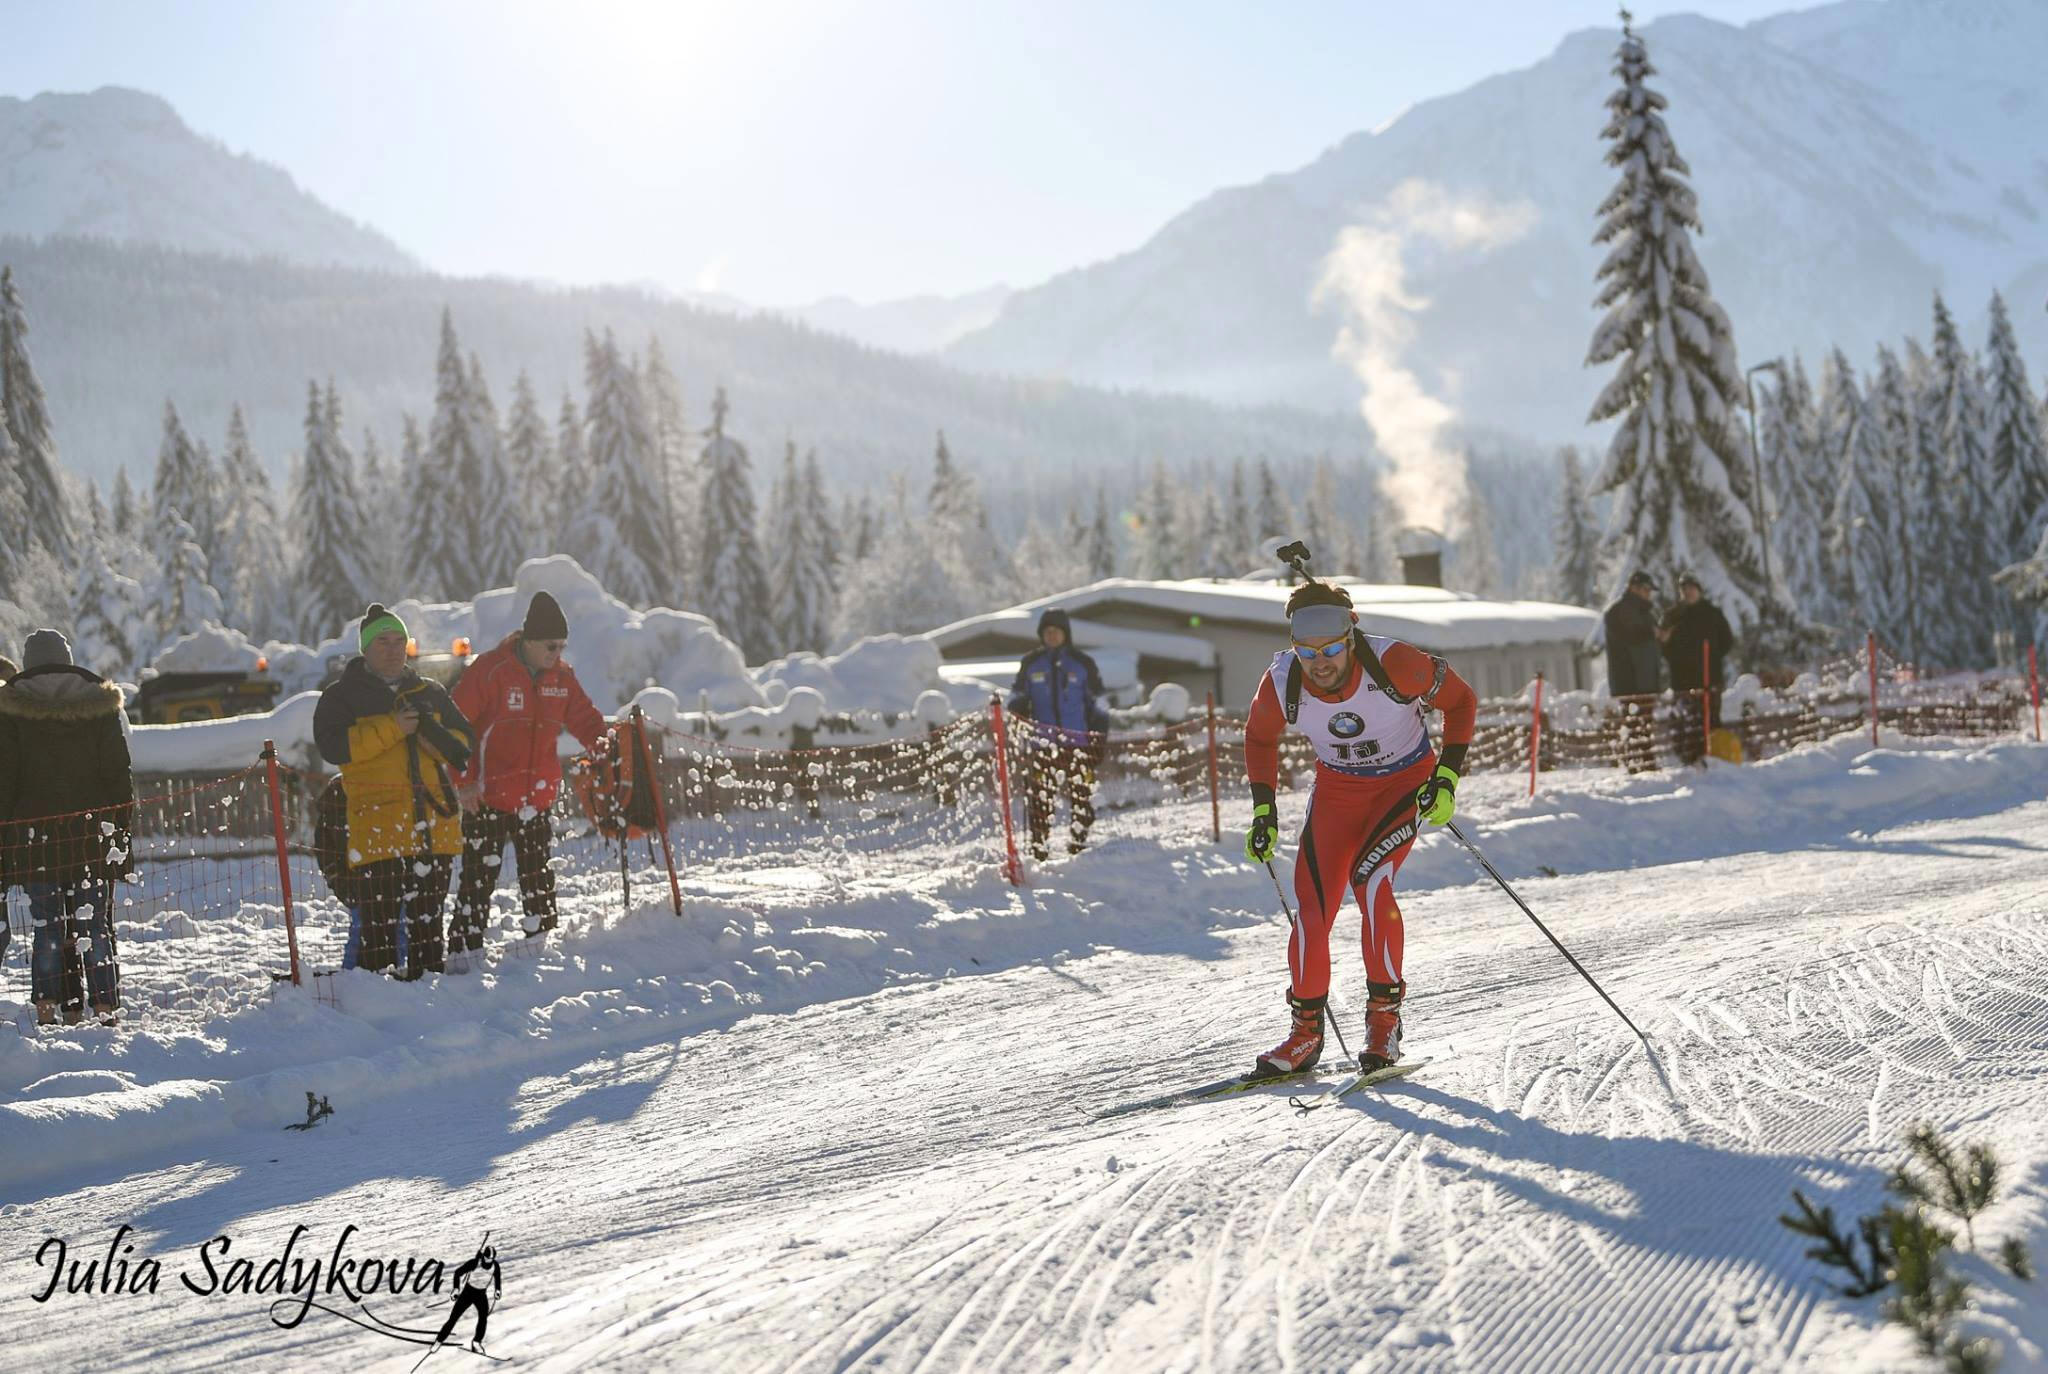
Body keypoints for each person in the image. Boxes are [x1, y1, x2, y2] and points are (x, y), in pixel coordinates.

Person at [1241, 578, 1477, 1076]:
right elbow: (1258, 738)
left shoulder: (1396, 663)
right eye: (1307, 653)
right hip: (1338, 791)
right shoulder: (1282, 680)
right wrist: (1264, 810)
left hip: (1404, 784)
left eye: (1330, 649)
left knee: (1371, 882)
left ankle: (1383, 1022)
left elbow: (1461, 702)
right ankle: (1305, 1035)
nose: (1320, 663)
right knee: (1312, 908)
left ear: (1351, 637)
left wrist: (1447, 778)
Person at [313, 604, 475, 979]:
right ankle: (376, 1006)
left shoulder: (430, 691)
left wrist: (434, 741)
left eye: (399, 640)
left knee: (428, 941)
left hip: (434, 830)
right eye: (382, 642)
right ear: (365, 649)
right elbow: (333, 748)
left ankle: (428, 1003)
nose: (392, 649)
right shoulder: (341, 697)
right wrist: (393, 728)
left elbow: (465, 741)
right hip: (378, 833)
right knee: (378, 943)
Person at [448, 592, 607, 960]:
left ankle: (541, 946)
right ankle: (463, 954)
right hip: (487, 797)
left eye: (562, 646)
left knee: (538, 877)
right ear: (530, 640)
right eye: (551, 646)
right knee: (477, 880)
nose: (557, 653)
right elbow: (455, 726)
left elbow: (586, 720)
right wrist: (464, 780)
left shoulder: (562, 677)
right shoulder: (491, 670)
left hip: (536, 797)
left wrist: (607, 748)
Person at [0, 630, 134, 1026]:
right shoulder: (100, 703)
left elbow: (5, 779)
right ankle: (105, 1009)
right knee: (95, 925)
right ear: (67, 659)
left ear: (28, 664)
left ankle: (46, 1011)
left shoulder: (11, 709)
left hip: (35, 837)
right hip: (92, 833)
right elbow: (118, 773)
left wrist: (5, 836)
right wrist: (120, 827)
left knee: (47, 927)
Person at [1005, 608, 1109, 861]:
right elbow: (1016, 697)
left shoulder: (1082, 663)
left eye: (1057, 631)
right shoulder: (1031, 663)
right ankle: (1039, 848)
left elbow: (1100, 705)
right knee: (1040, 799)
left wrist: (1098, 741)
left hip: (1078, 745)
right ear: (1042, 634)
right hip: (1042, 747)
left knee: (1082, 796)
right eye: (1047, 631)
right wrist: (1018, 710)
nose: (1052, 635)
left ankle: (1078, 845)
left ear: (1066, 634)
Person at [1658, 574, 1735, 765]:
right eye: (1684, 589)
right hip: (1682, 680)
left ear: (1699, 590)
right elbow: (1663, 645)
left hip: (1710, 678)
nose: (1688, 592)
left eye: (1691, 588)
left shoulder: (1712, 613)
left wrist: (1713, 657)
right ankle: (1689, 759)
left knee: (1710, 718)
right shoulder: (1672, 616)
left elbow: (1727, 641)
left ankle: (1714, 757)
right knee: (1686, 721)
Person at [1603, 571, 1663, 772]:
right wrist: (1651, 633)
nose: (1648, 594)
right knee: (1635, 725)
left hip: (1644, 680)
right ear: (1633, 588)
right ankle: (1637, 765)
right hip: (1631, 681)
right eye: (1646, 589)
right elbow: (1632, 636)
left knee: (1643, 724)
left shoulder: (1645, 613)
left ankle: (1645, 763)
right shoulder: (1620, 611)